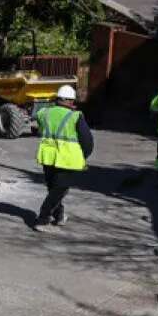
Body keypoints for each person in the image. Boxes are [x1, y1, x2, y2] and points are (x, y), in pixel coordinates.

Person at [32, 85, 93, 229]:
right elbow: (87, 141)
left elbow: (40, 129)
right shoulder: (75, 116)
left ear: (57, 99)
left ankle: (59, 216)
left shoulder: (43, 113)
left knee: (53, 188)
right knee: (59, 190)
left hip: (48, 157)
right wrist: (84, 155)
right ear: (71, 101)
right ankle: (42, 218)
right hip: (67, 160)